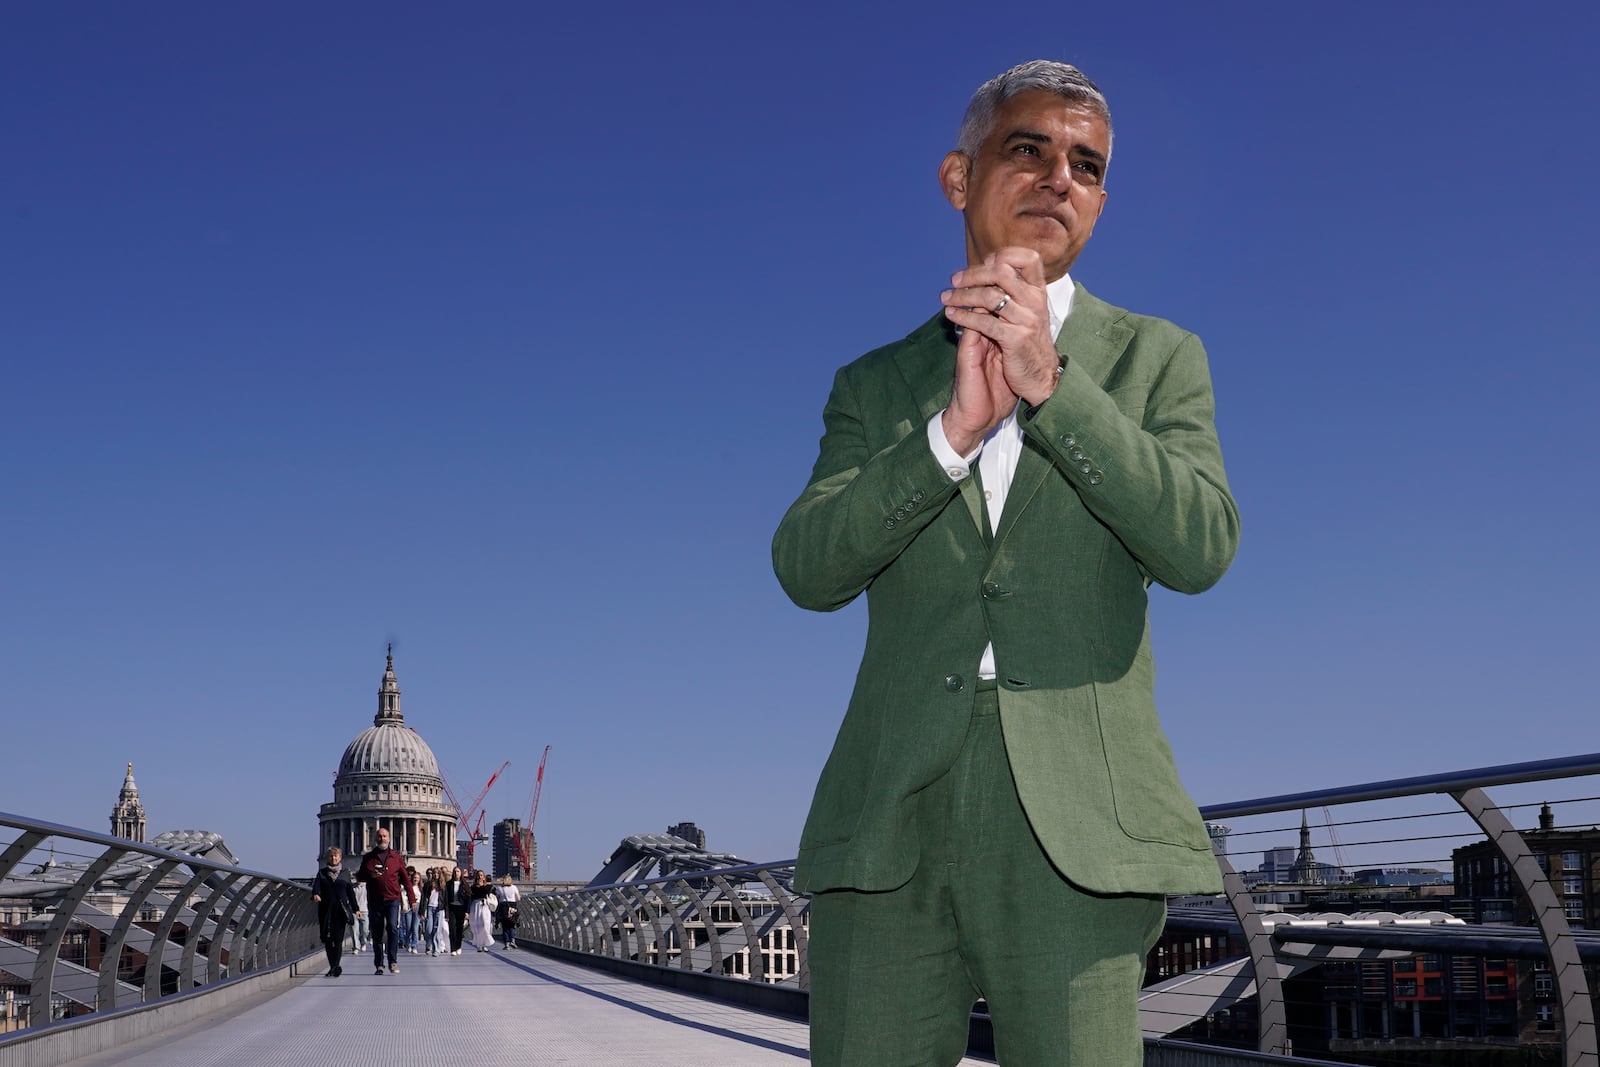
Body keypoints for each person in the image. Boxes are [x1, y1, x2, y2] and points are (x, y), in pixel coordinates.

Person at [771, 60, 1239, 1066]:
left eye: (1086, 164)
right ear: (958, 177)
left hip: (1078, 821)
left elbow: (1202, 545)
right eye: (1027, 148)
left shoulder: (1159, 358)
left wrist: (1054, 389)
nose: (1057, 176)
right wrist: (946, 435)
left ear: (1101, 200)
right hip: (889, 812)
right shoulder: (875, 383)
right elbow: (806, 568)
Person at [356, 827, 416, 975]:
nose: (382, 838)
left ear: (389, 839)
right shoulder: (369, 857)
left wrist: (412, 899)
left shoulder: (396, 857)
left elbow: (406, 880)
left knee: (392, 928)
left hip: (392, 899)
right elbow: (360, 876)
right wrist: (372, 875)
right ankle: (379, 964)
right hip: (375, 899)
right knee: (376, 932)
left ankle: (393, 961)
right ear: (375, 839)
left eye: (384, 836)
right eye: (380, 836)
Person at [310, 846, 360, 978]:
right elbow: (316, 887)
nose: (333, 858)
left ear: (340, 858)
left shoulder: (345, 873)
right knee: (327, 939)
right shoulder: (322, 873)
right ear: (328, 858)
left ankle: (335, 966)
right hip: (326, 910)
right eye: (331, 856)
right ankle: (332, 965)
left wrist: (356, 909)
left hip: (340, 911)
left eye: (336, 856)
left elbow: (350, 893)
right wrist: (316, 894)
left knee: (337, 940)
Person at [466, 870, 497, 952]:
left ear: (484, 877)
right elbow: (473, 895)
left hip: (484, 905)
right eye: (478, 875)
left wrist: (483, 886)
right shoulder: (473, 887)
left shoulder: (488, 887)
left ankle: (485, 944)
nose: (480, 877)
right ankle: (479, 944)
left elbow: (486, 892)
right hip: (476, 906)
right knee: (477, 925)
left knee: (485, 924)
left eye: (481, 875)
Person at [444, 865, 469, 956]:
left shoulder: (465, 884)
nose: (456, 873)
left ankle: (458, 946)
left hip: (461, 908)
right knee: (452, 929)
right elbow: (446, 898)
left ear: (461, 873)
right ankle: (453, 948)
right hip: (452, 908)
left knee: (459, 929)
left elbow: (468, 898)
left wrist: (467, 911)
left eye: (458, 871)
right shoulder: (449, 884)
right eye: (455, 871)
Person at [495, 875, 521, 950]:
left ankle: (507, 944)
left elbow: (496, 899)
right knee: (512, 924)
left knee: (505, 926)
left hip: (503, 907)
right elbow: (518, 898)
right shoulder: (514, 887)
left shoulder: (500, 889)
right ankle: (513, 940)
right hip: (513, 907)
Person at [348, 876, 369, 955]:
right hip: (354, 911)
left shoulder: (367, 887)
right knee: (354, 930)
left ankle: (363, 942)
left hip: (365, 911)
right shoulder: (352, 887)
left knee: (365, 930)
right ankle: (356, 947)